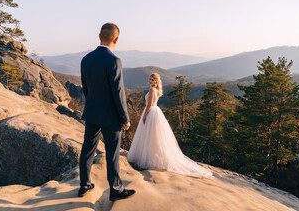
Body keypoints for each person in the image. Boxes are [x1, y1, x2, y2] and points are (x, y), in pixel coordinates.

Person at [79, 22, 135, 201]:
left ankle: (84, 185)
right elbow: (118, 93)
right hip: (110, 116)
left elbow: (86, 88)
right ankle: (116, 189)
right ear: (116, 40)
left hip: (92, 112)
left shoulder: (86, 59)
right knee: (112, 152)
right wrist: (124, 117)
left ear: (99, 36)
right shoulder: (114, 61)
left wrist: (92, 104)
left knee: (88, 148)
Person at [127, 73, 213, 179]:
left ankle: (148, 159)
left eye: (152, 79)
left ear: (156, 81)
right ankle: (153, 157)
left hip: (150, 112)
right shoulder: (156, 90)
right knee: (154, 137)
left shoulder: (151, 90)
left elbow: (149, 105)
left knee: (149, 136)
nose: (150, 81)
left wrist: (144, 116)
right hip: (156, 112)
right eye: (149, 79)